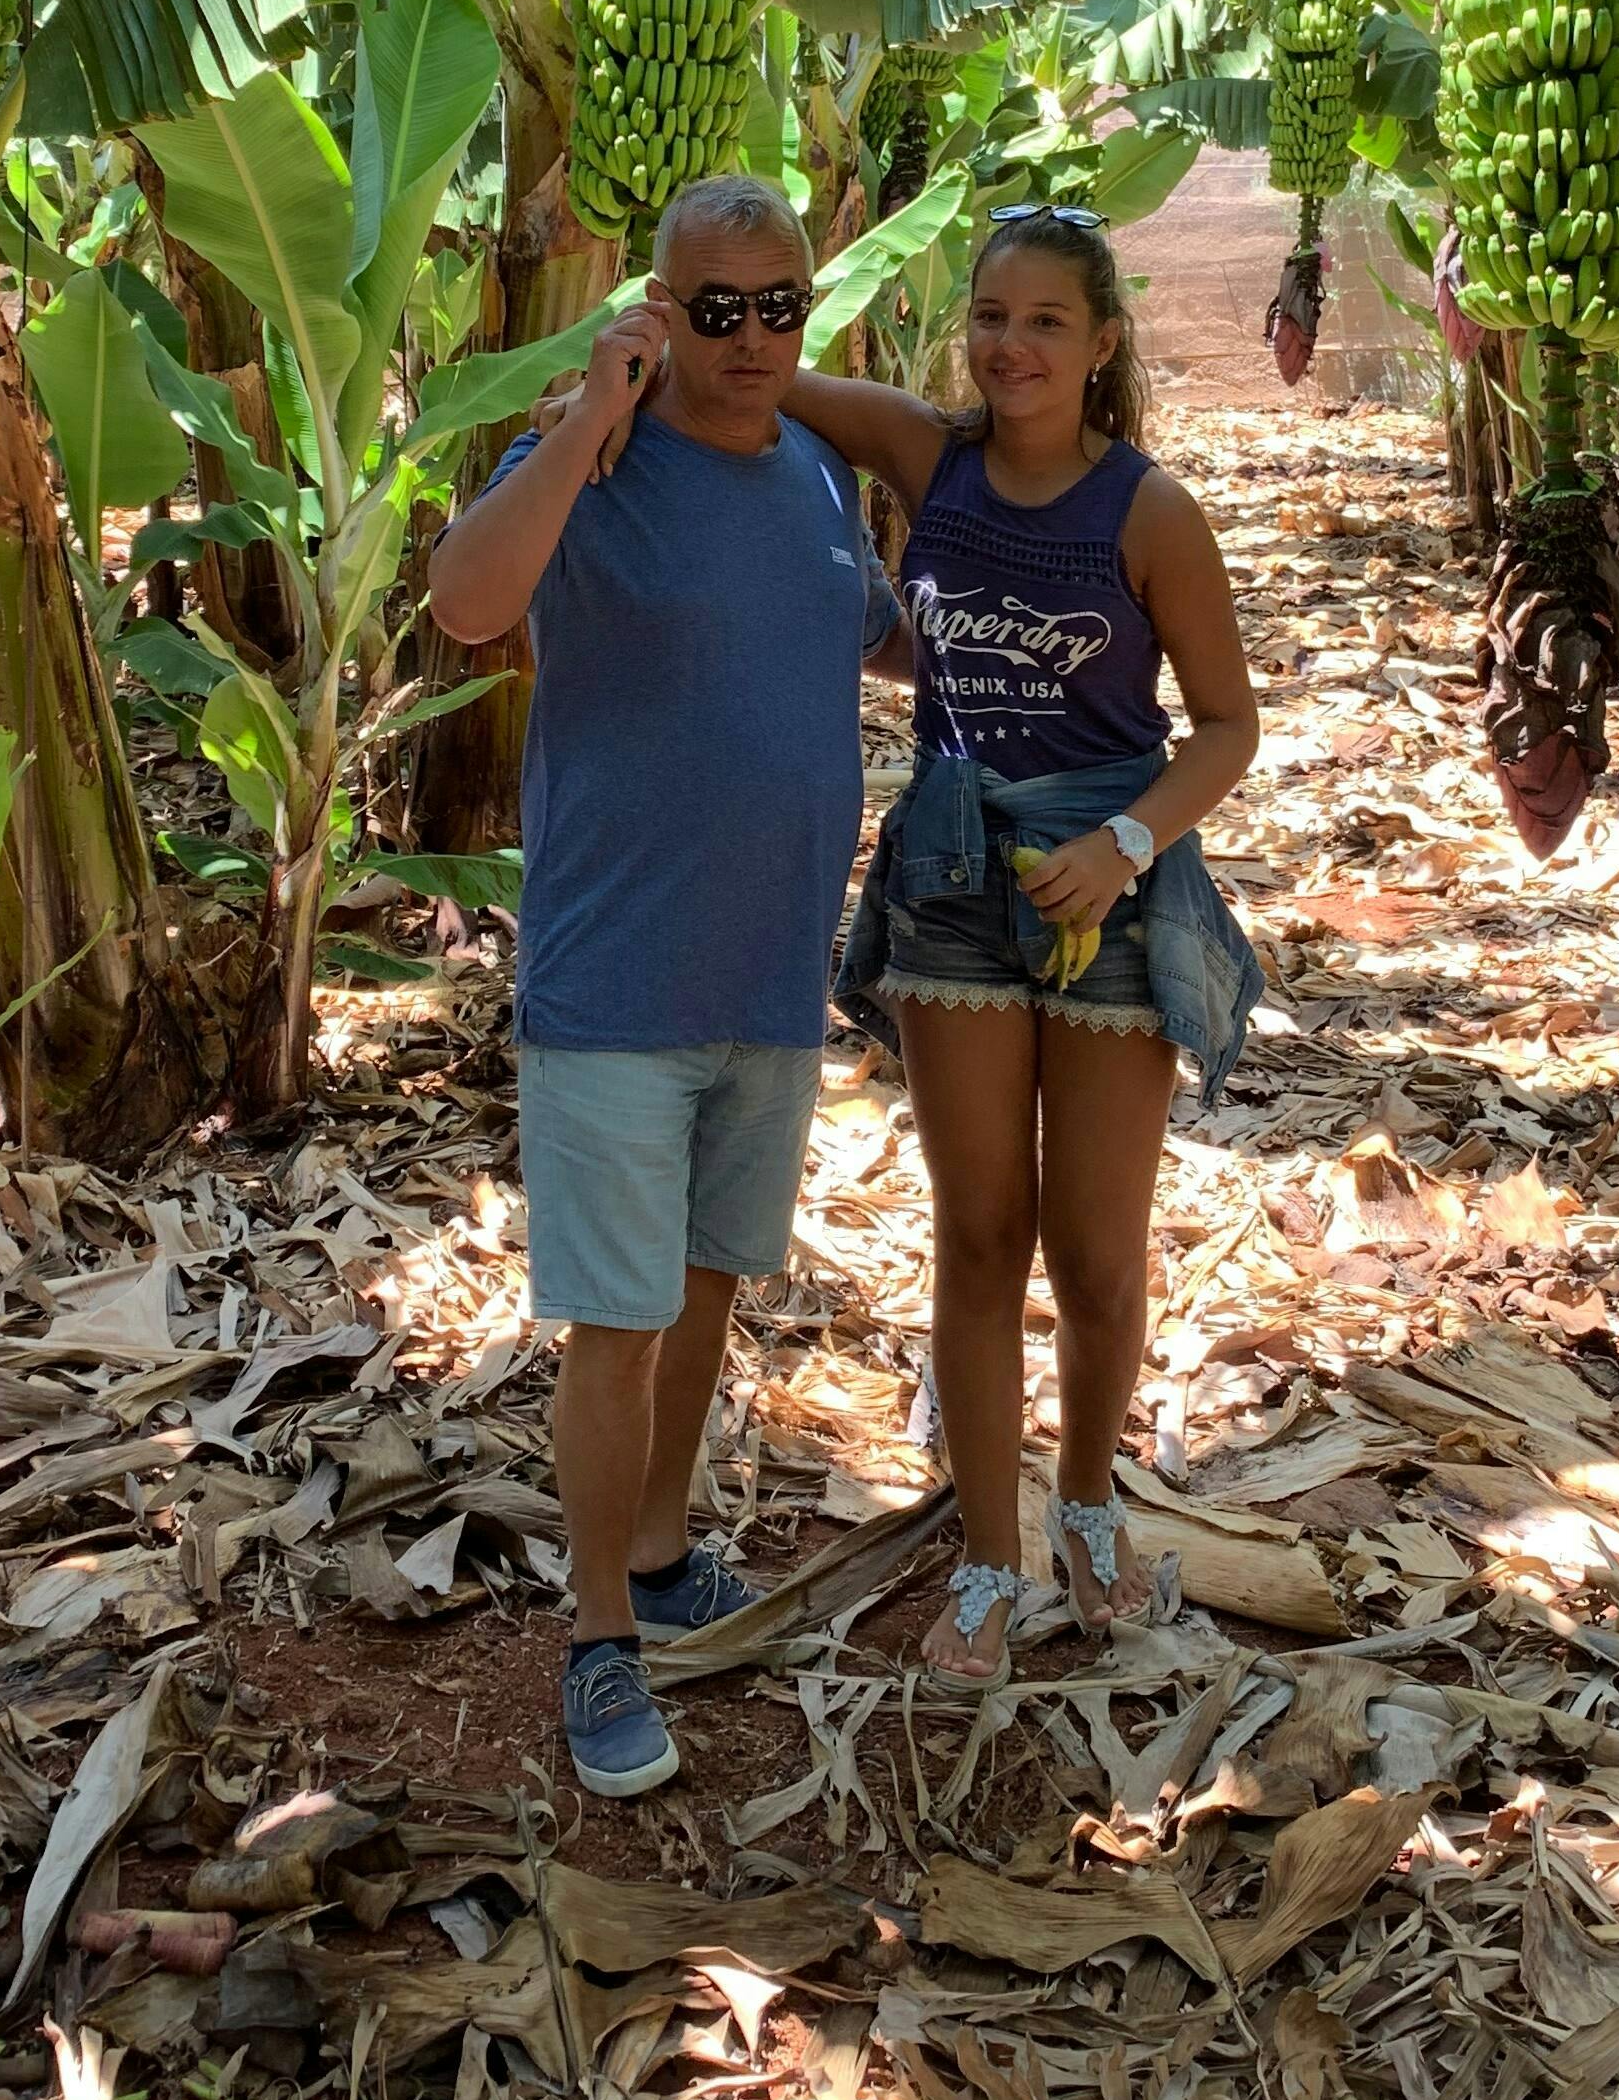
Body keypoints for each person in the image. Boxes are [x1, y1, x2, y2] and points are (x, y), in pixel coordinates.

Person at [426, 174, 900, 1798]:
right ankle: (600, 1641)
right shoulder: (600, 469)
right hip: (618, 972)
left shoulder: (821, 478)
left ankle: (665, 1542)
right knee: (616, 1322)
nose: (756, 338)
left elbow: (866, 630)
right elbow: (467, 599)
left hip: (767, 978)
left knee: (704, 1288)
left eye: (783, 305)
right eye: (720, 310)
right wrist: (580, 422)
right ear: (660, 314)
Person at [799, 205, 1264, 1683]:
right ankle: (989, 1563)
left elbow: (1230, 725)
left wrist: (1125, 844)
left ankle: (1090, 1507)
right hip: (951, 871)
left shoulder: (1147, 511)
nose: (1010, 344)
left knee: (1098, 1252)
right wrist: (605, 387)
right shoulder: (927, 459)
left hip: (1109, 882)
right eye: (991, 315)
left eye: (1046, 322)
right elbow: (747, 371)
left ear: (1101, 344)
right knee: (981, 1232)